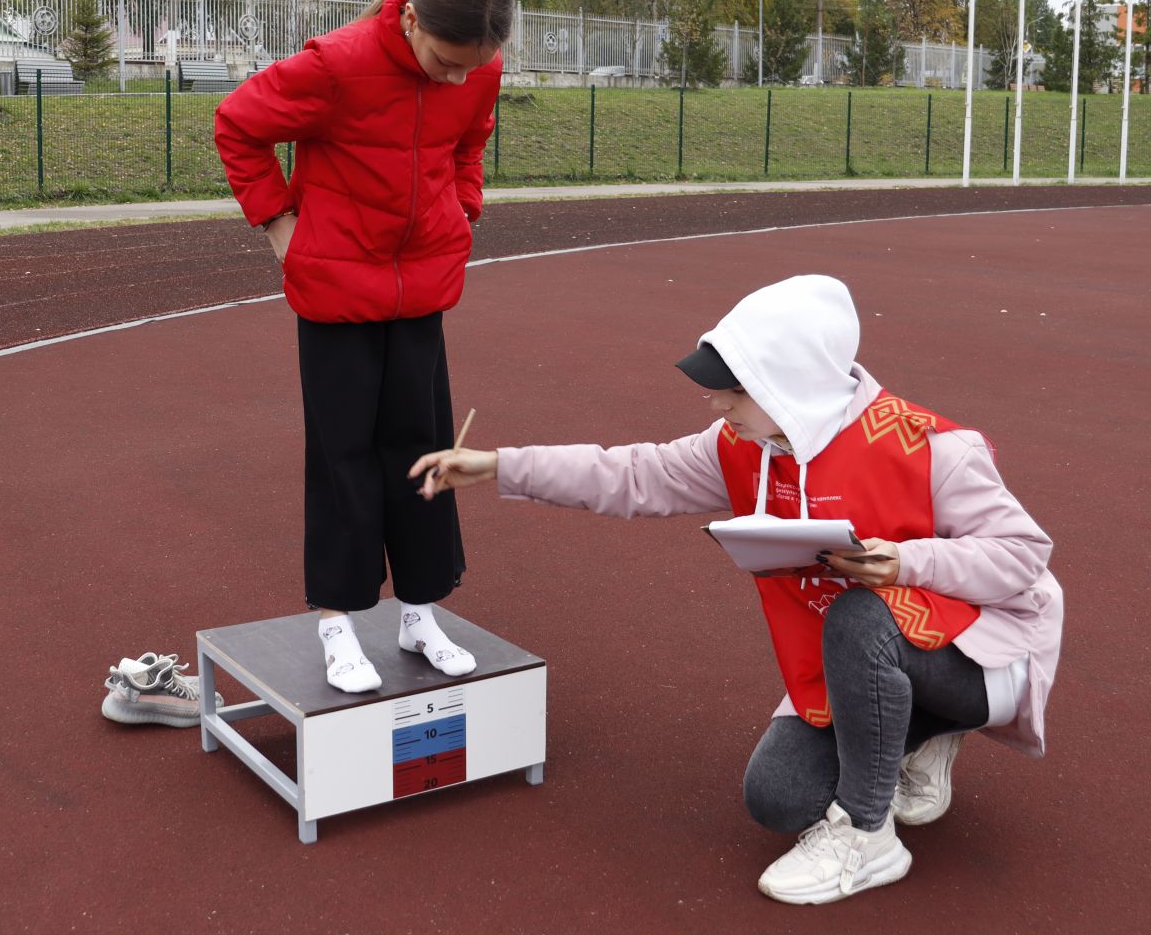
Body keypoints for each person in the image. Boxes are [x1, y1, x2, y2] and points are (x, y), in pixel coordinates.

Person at [408, 274, 1064, 905]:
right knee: (777, 797)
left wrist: (905, 563)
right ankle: (919, 735)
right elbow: (634, 473)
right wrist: (499, 465)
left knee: (863, 617)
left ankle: (869, 836)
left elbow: (1024, 554)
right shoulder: (744, 445)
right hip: (860, 660)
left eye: (733, 389)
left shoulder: (928, 446)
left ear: (790, 387)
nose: (716, 402)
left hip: (983, 657)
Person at [213, 0, 512, 694]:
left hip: (423, 289)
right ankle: (339, 622)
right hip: (336, 292)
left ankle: (419, 610)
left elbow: (469, 142)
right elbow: (238, 125)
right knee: (344, 456)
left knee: (421, 450)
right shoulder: (336, 66)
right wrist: (281, 224)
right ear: (411, 19)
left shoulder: (478, 70)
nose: (455, 79)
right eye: (446, 62)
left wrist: (463, 209)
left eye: (469, 68)